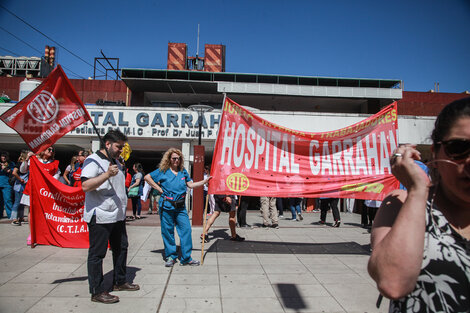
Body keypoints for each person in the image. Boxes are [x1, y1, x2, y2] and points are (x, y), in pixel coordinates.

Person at [368, 97, 470, 312]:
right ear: (435, 152)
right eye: (460, 148)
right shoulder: (401, 202)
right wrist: (417, 190)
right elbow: (392, 283)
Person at [81, 129, 139, 304]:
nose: (121, 150)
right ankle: (97, 291)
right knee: (97, 254)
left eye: (122, 147)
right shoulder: (93, 161)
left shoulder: (114, 161)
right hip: (100, 215)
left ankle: (120, 281)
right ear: (107, 144)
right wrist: (106, 174)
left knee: (121, 247)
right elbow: (85, 185)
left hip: (117, 216)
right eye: (118, 146)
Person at [144, 148, 211, 267]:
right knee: (168, 231)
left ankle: (186, 258)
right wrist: (158, 189)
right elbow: (147, 177)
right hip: (166, 206)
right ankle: (171, 256)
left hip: (180, 207)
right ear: (169, 159)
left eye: (178, 158)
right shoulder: (162, 171)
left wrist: (204, 181)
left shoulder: (183, 171)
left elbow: (190, 184)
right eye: (174, 158)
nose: (176, 160)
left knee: (186, 230)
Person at [10, 150, 30, 225]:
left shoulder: (27, 165)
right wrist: (20, 179)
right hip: (19, 185)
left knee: (22, 202)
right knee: (17, 202)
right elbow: (14, 172)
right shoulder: (19, 164)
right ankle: (14, 218)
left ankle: (21, 217)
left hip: (24, 185)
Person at [0, 151, 14, 219]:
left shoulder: (11, 164)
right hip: (0, 184)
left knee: (8, 200)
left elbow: (12, 172)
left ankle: (10, 215)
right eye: (2, 156)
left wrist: (5, 168)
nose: (3, 158)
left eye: (5, 156)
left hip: (7, 185)